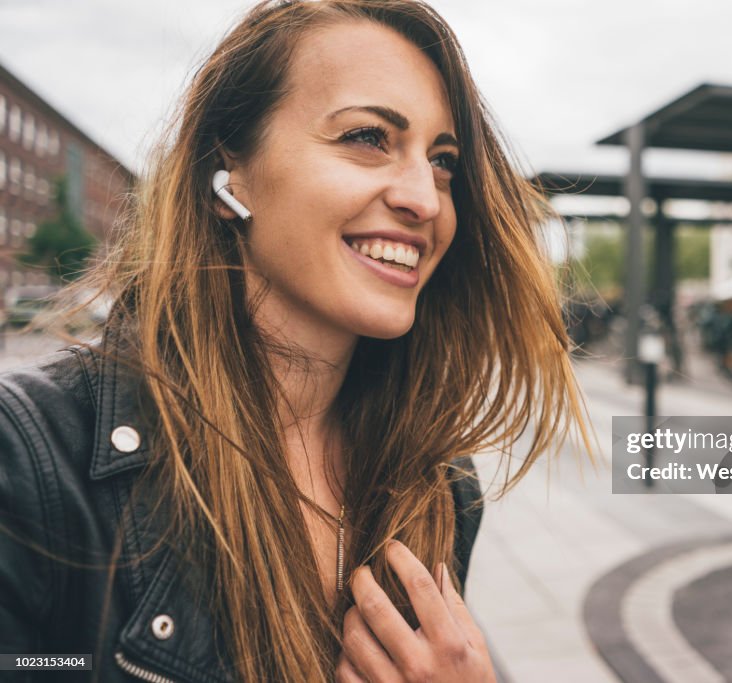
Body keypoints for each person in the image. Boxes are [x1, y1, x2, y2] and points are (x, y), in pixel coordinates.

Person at [0, 1, 592, 681]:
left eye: (443, 162)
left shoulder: (439, 479)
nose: (425, 199)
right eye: (368, 137)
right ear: (227, 172)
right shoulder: (31, 457)